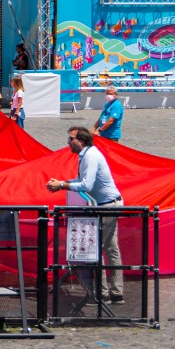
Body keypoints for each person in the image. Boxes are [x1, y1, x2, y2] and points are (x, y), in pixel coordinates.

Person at [46, 127, 125, 303]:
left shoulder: (90, 156)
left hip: (107, 206)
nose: (68, 142)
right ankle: (115, 292)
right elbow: (80, 181)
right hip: (107, 204)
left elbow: (86, 186)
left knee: (99, 249)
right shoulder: (87, 154)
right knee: (110, 248)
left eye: (70, 138)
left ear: (81, 141)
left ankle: (103, 293)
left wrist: (61, 185)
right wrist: (62, 183)